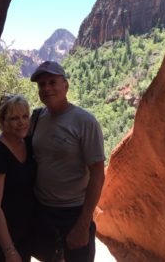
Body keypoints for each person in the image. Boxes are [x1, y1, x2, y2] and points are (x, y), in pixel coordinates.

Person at [30, 61, 105, 262]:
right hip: (43, 211)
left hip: (74, 213)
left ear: (66, 86)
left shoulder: (85, 122)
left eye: (52, 82)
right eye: (41, 85)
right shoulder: (37, 118)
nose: (46, 88)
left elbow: (98, 173)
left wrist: (82, 225)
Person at [0, 94, 36, 262]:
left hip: (23, 227)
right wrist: (9, 250)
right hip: (1, 232)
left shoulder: (27, 143)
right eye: (14, 118)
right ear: (2, 121)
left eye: (25, 116)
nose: (22, 123)